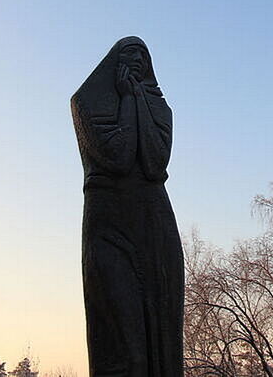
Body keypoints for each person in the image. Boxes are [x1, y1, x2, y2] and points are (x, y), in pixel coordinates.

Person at [71, 36, 184, 377]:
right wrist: (128, 101)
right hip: (109, 223)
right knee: (124, 343)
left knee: (164, 334)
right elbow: (118, 157)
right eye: (129, 53)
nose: (137, 61)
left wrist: (135, 98)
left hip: (154, 221)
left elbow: (154, 163)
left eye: (143, 56)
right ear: (113, 62)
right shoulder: (86, 102)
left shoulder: (161, 109)